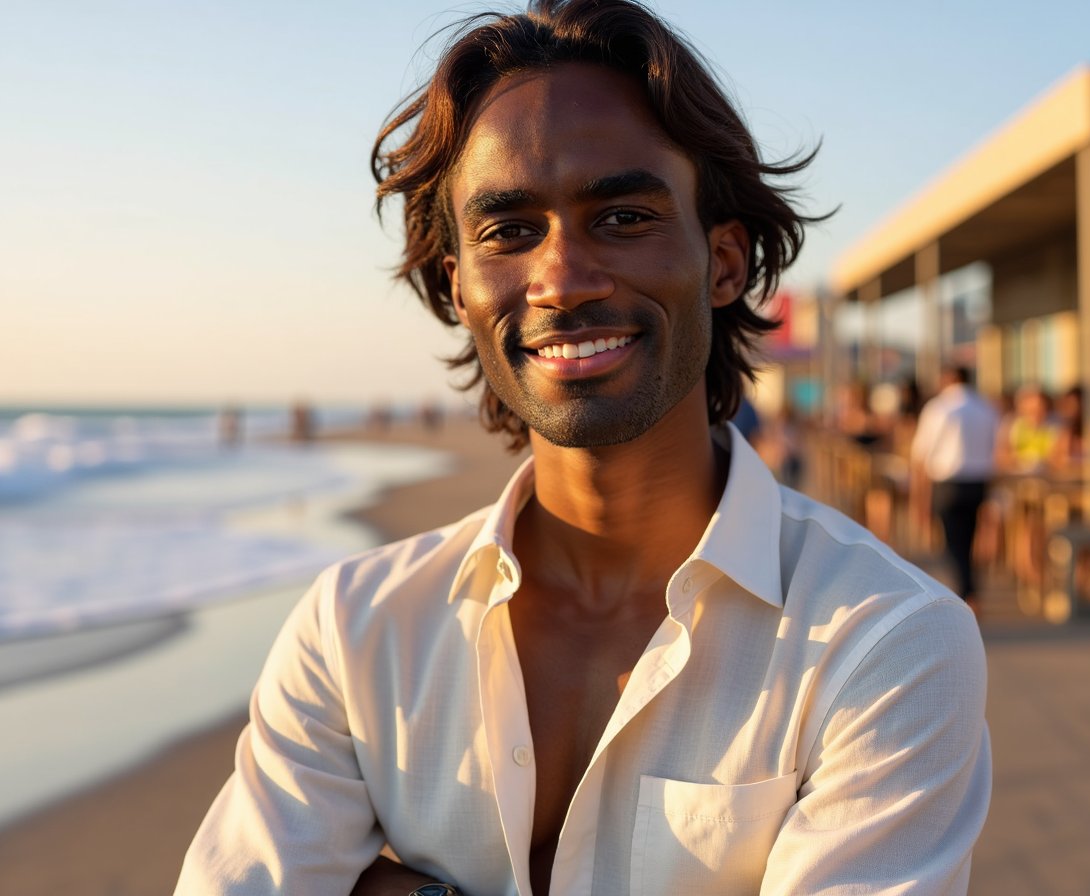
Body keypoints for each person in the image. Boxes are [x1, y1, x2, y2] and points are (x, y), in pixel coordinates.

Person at [176, 2, 991, 893]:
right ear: (459, 288)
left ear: (725, 262)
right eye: (509, 231)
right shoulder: (359, 630)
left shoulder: (884, 642)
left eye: (624, 217)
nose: (561, 278)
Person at [910, 366, 999, 608]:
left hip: (948, 481)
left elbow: (921, 452)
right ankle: (970, 588)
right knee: (970, 538)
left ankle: (967, 589)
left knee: (953, 541)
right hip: (980, 480)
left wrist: (919, 497)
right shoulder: (986, 408)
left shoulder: (940, 407)